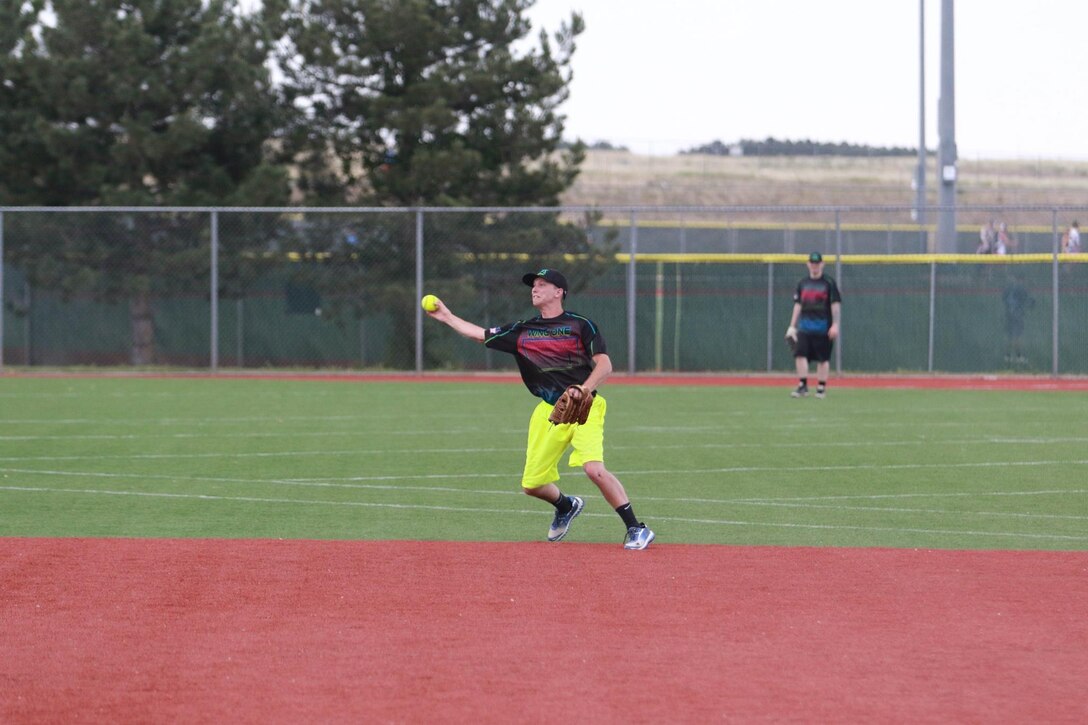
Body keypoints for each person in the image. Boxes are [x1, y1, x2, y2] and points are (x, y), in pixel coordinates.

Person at [424, 268, 655, 550]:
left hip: (585, 407)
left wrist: (584, 389)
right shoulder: (523, 330)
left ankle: (637, 528)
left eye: (542, 284)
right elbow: (480, 335)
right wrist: (447, 316)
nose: (535, 288)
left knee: (594, 469)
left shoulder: (581, 325)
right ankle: (566, 505)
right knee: (532, 485)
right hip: (548, 411)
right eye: (534, 285)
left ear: (559, 292)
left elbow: (605, 365)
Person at [785, 252, 842, 399]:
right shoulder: (802, 283)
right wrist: (792, 326)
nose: (814, 266)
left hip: (823, 328)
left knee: (823, 359)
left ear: (822, 264)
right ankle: (802, 385)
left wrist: (835, 325)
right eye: (812, 263)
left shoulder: (828, 283)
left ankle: (821, 387)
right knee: (800, 355)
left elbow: (835, 305)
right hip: (804, 327)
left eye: (817, 263)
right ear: (808, 264)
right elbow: (798, 305)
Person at [1002, 272, 1034, 365]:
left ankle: (1007, 356)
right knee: (1018, 336)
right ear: (1021, 279)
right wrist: (1031, 303)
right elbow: (1028, 301)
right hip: (1017, 315)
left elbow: (1004, 299)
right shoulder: (1021, 289)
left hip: (1009, 315)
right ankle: (1019, 356)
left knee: (1010, 336)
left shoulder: (1008, 288)